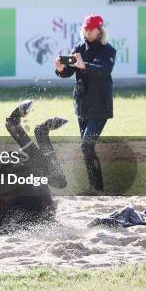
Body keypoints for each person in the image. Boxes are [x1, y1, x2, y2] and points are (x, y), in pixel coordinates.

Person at [54, 14, 116, 193]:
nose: (87, 32)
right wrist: (60, 69)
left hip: (100, 106)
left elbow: (104, 71)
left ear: (100, 30)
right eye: (86, 29)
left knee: (86, 145)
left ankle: (97, 187)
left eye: (91, 29)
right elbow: (69, 72)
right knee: (87, 148)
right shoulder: (80, 48)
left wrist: (84, 65)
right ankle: (95, 187)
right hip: (82, 105)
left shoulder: (108, 50)